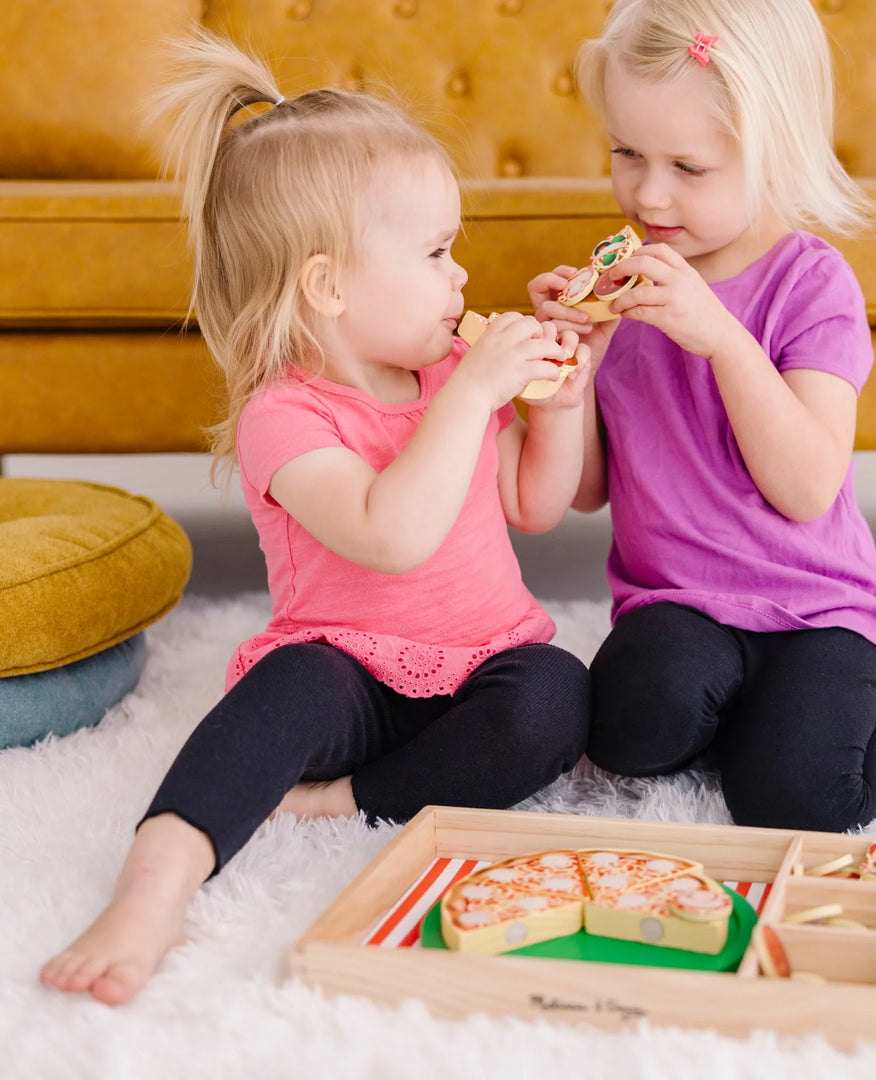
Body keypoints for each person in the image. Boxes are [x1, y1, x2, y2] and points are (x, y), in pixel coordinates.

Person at [40, 30, 592, 1006]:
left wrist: (558, 405)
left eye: (452, 249)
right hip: (350, 670)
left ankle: (345, 801)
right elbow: (390, 530)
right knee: (278, 697)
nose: (461, 277)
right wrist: (471, 404)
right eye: (433, 253)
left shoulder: (453, 374)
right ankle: (155, 886)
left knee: (555, 697)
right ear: (328, 284)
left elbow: (533, 505)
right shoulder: (283, 417)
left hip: (486, 660)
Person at [530, 0, 876, 834]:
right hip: (677, 601)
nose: (648, 191)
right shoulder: (630, 286)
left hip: (818, 609)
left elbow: (807, 486)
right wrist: (574, 380)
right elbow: (588, 494)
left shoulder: (812, 284)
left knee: (801, 801)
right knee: (626, 733)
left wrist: (723, 338)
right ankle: (744, 708)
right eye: (627, 153)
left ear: (773, 159)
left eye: (689, 166)